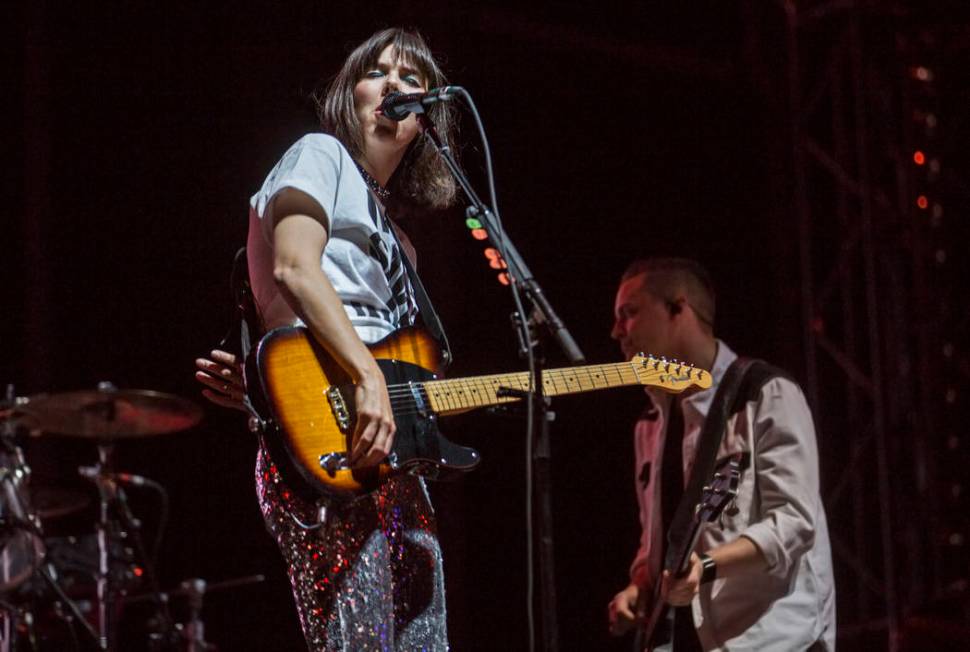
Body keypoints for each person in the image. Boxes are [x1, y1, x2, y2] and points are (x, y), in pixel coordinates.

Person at [195, 28, 457, 651]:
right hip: (328, 446)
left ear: (425, 118)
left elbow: (409, 369)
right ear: (350, 92)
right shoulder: (320, 155)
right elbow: (294, 267)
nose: (395, 84)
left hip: (391, 452)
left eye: (411, 78)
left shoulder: (402, 244)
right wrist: (364, 377)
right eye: (378, 71)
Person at [606, 257, 836, 651]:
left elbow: (795, 521)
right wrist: (639, 585)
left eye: (629, 314)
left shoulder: (766, 393)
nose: (617, 332)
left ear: (679, 308)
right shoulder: (650, 423)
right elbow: (659, 540)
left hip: (772, 639)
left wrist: (707, 566)